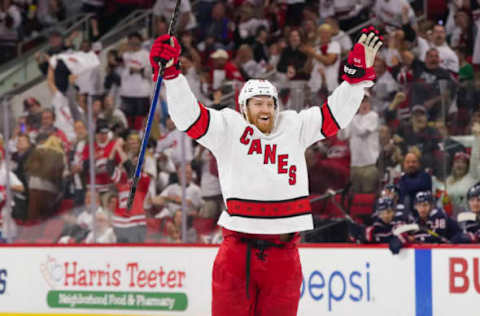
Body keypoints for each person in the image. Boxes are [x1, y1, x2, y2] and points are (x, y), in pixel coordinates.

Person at [150, 27, 382, 316]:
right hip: (236, 254)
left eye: (269, 103)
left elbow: (334, 115)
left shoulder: (294, 126)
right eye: (257, 103)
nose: (265, 108)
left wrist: (354, 82)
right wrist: (172, 75)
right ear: (244, 108)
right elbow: (189, 117)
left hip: (284, 255)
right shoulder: (227, 127)